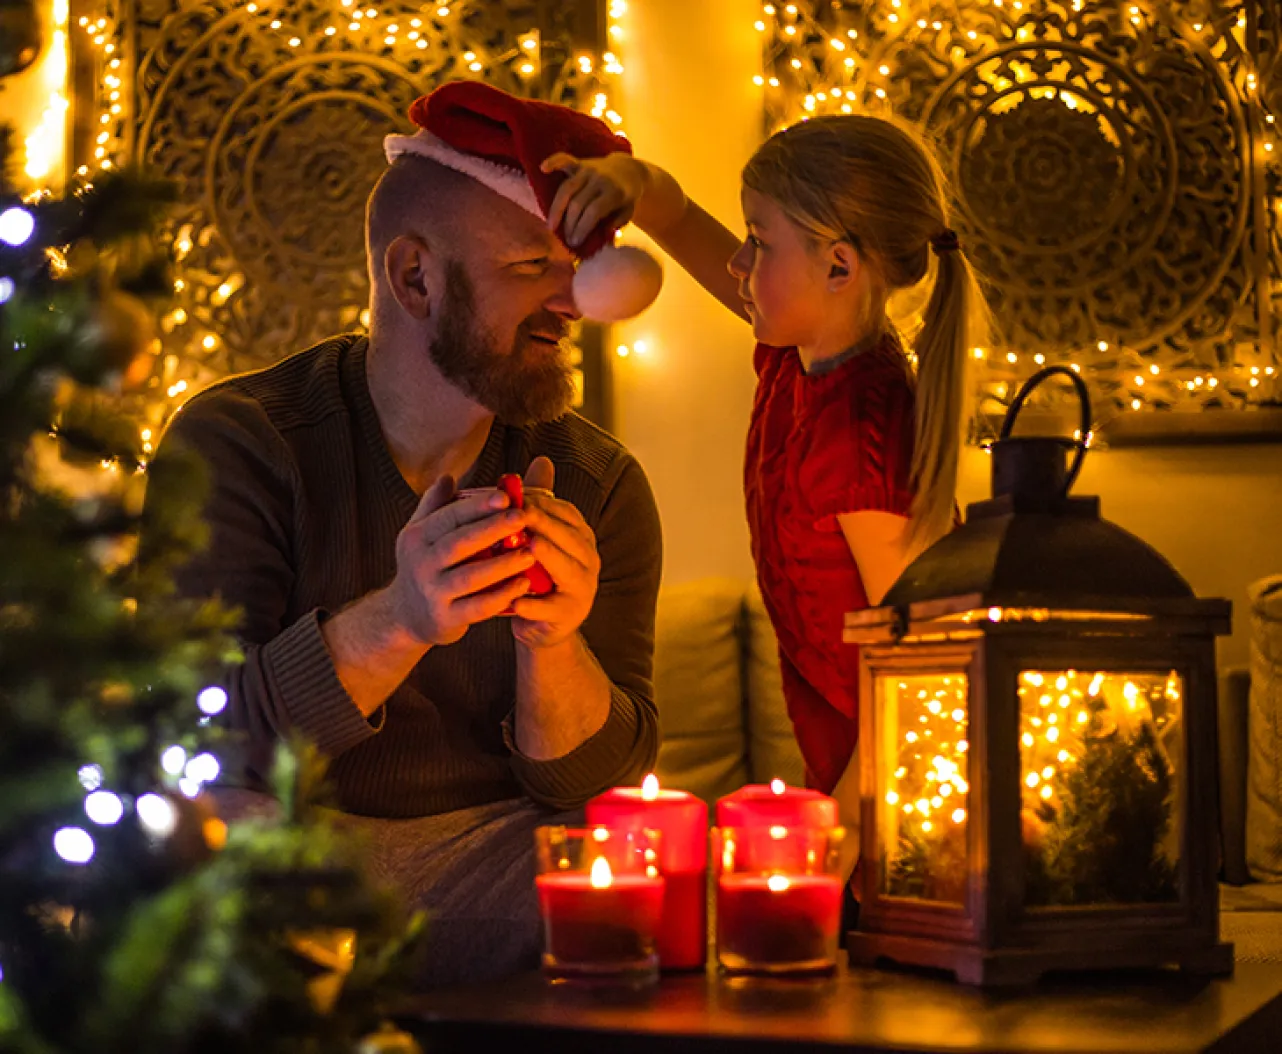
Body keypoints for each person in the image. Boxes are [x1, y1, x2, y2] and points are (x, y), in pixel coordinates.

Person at [148, 81, 664, 985]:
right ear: (414, 275)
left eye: (574, 270)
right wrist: (399, 619)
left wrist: (554, 640)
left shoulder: (597, 481)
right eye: (530, 268)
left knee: (668, 887)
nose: (572, 303)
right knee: (204, 847)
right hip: (292, 846)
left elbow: (598, 795)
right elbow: (204, 739)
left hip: (499, 855)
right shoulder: (242, 440)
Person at [543, 114, 988, 879]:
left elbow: (928, 677)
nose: (741, 262)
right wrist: (629, 184)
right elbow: (679, 218)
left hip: (905, 818)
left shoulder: (861, 436)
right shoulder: (798, 357)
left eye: (759, 240)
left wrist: (836, 851)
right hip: (854, 789)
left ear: (839, 268)